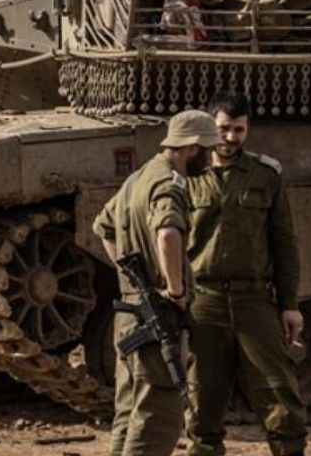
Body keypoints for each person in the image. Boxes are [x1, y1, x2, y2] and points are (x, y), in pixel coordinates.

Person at [93, 110, 221, 456]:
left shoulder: (138, 178)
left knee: (128, 413)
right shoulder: (169, 182)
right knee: (157, 418)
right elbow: (167, 234)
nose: (211, 156)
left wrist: (130, 274)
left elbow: (102, 226)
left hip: (131, 312)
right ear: (191, 147)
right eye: (208, 149)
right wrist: (175, 290)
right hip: (157, 315)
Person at [186, 91, 306, 456]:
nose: (231, 137)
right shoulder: (187, 177)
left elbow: (284, 243)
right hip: (203, 300)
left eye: (239, 129)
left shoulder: (266, 175)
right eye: (223, 128)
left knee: (279, 395)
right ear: (210, 127)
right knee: (203, 401)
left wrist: (289, 304)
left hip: (253, 299)